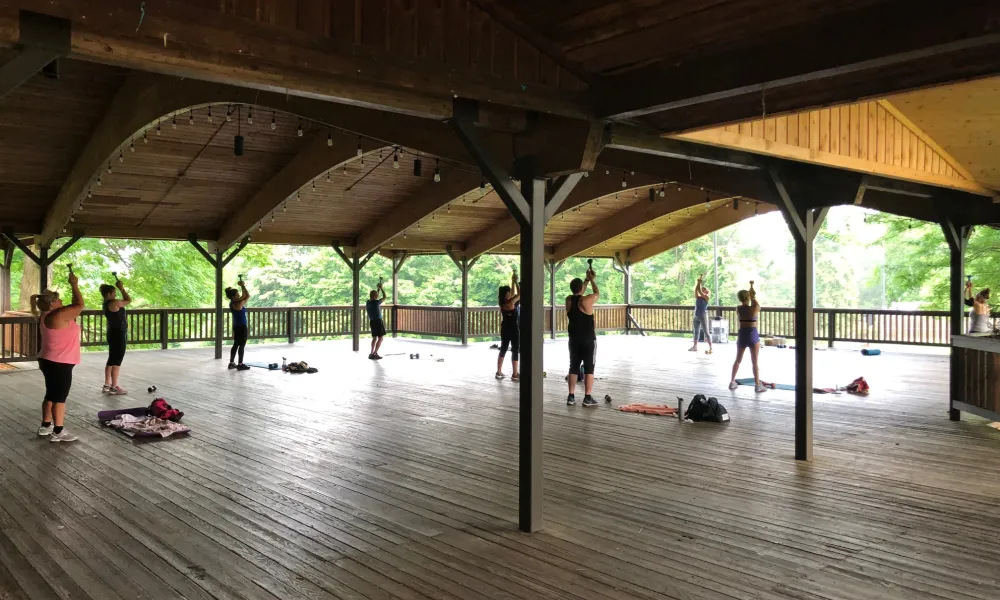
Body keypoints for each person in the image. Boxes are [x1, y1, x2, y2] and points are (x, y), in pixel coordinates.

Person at [31, 271, 84, 443]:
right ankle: (58, 431)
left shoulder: (48, 315)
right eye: (59, 300)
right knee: (60, 397)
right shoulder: (57, 315)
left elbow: (75, 308)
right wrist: (74, 285)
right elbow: (79, 304)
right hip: (59, 361)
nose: (62, 302)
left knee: (51, 394)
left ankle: (46, 426)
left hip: (49, 359)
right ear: (53, 303)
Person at [566, 264, 600, 406]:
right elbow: (597, 293)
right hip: (588, 339)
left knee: (573, 366)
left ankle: (571, 396)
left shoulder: (569, 300)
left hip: (573, 339)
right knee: (589, 367)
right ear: (581, 288)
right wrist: (592, 280)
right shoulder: (586, 301)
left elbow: (578, 294)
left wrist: (585, 280)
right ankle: (587, 397)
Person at [729, 281, 765, 393]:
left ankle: (732, 382)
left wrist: (750, 295)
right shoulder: (753, 309)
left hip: (742, 334)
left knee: (738, 360)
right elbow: (758, 307)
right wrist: (753, 296)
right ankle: (757, 385)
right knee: (754, 362)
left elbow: (750, 306)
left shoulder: (738, 308)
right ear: (748, 297)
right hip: (752, 334)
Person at [100, 278, 131, 394]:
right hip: (119, 333)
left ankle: (107, 385)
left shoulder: (105, 304)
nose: (115, 294)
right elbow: (128, 300)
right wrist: (122, 288)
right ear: (109, 294)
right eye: (114, 293)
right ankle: (114, 387)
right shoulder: (114, 303)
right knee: (117, 360)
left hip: (112, 332)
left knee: (111, 359)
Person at [496, 270, 520, 380]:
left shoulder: (502, 302)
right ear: (506, 294)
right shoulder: (510, 303)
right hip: (513, 329)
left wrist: (513, 281)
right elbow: (520, 295)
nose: (510, 293)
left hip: (505, 328)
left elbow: (513, 294)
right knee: (515, 350)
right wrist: (516, 282)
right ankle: (515, 374)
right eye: (508, 292)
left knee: (503, 349)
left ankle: (499, 371)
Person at [226, 280, 251, 370]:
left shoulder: (232, 303)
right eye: (237, 295)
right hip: (241, 327)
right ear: (233, 297)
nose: (239, 296)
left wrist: (242, 286)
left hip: (236, 326)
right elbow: (247, 296)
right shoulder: (238, 303)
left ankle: (232, 363)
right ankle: (240, 364)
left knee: (236, 344)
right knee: (242, 345)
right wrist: (243, 286)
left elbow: (244, 296)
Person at [689, 273, 713, 354]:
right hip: (696, 315)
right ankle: (695, 346)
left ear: (706, 292)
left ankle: (711, 347)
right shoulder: (698, 297)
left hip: (703, 315)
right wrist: (698, 283)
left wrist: (699, 283)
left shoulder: (706, 297)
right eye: (702, 289)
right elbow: (696, 290)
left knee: (706, 332)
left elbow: (699, 290)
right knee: (696, 331)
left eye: (704, 289)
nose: (702, 290)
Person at [367, 281, 387, 359]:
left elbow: (375, 297)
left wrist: (377, 289)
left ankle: (371, 353)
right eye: (377, 295)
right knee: (380, 338)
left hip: (372, 322)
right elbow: (385, 297)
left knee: (374, 338)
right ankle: (375, 353)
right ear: (375, 296)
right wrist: (381, 289)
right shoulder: (376, 302)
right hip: (378, 322)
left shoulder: (368, 302)